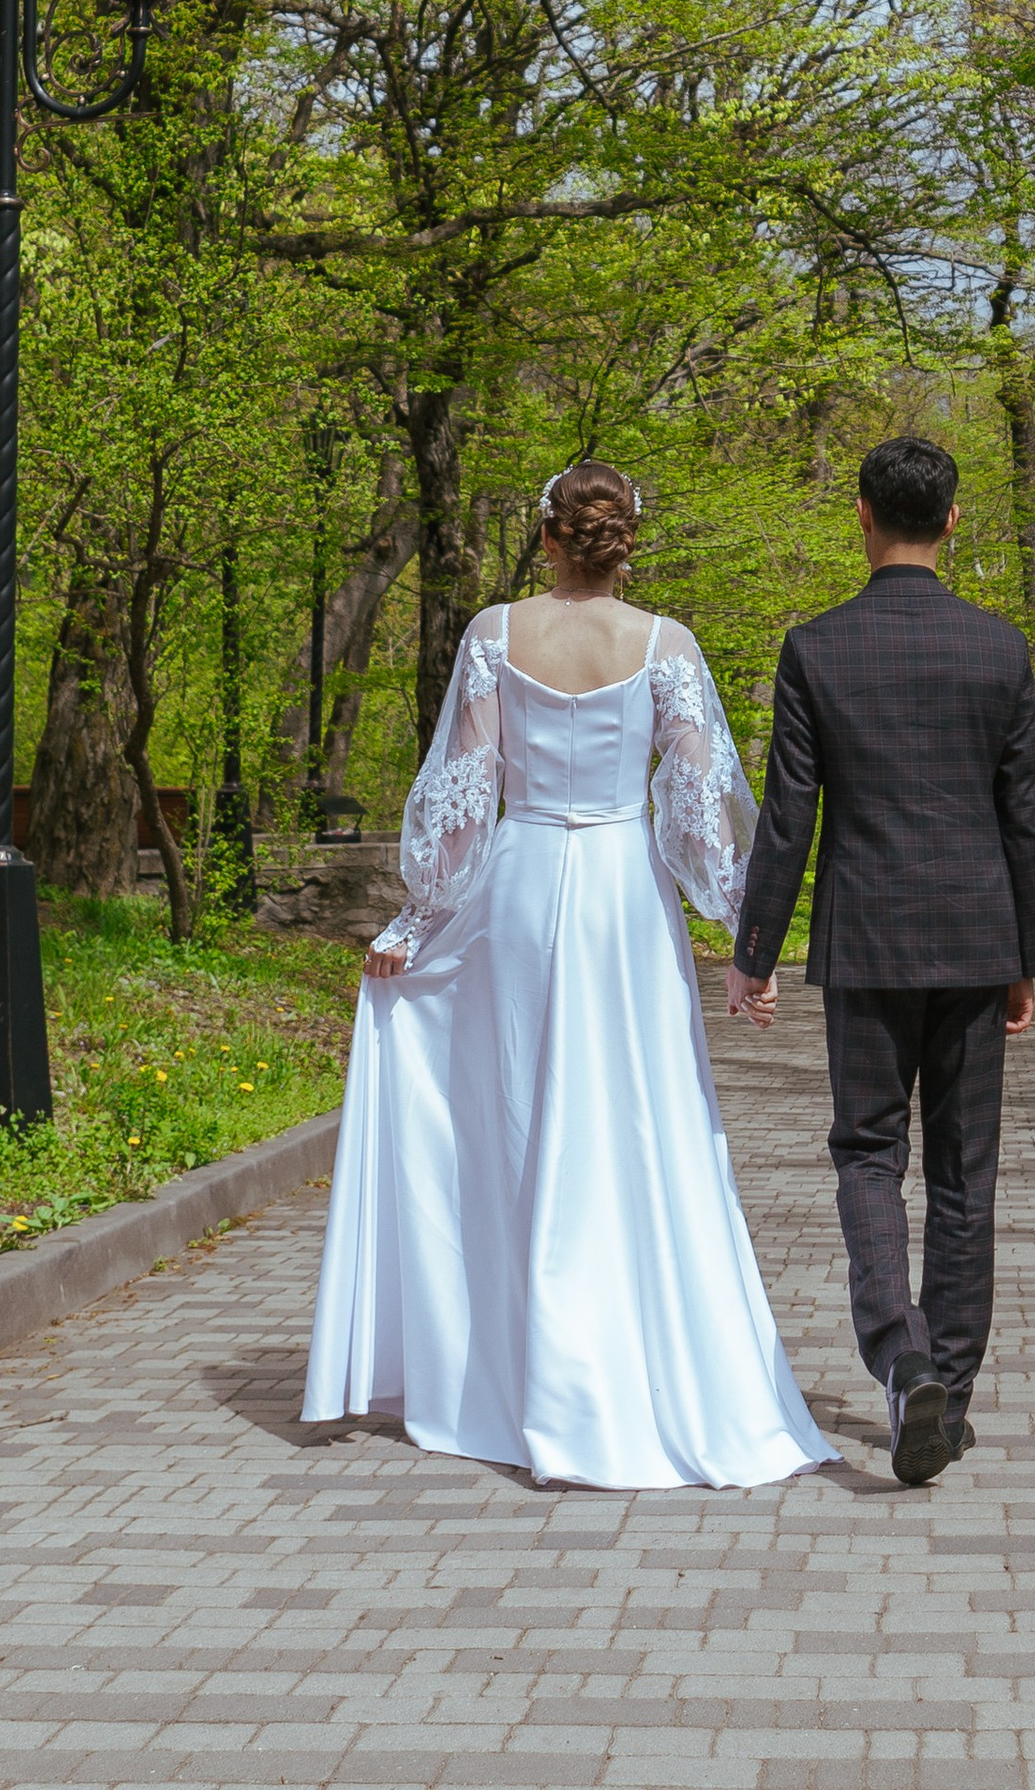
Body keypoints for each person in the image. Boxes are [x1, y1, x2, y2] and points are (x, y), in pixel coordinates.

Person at [301, 461, 835, 1491]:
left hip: (522, 881)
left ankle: (521, 1376)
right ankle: (630, 1368)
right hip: (624, 902)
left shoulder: (494, 636)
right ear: (627, 537)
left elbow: (460, 798)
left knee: (518, 1118)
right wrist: (742, 941)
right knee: (638, 1119)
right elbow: (700, 807)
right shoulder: (667, 645)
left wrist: (414, 920)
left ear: (546, 536)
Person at [726, 432, 1035, 1487]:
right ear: (953, 521)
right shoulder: (1000, 652)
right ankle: (944, 1396)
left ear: (860, 516)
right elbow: (1021, 826)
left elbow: (787, 823)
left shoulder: (815, 650)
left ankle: (899, 1355)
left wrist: (754, 954)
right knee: (965, 1175)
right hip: (972, 939)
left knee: (869, 1156)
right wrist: (1024, 959)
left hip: (864, 943)